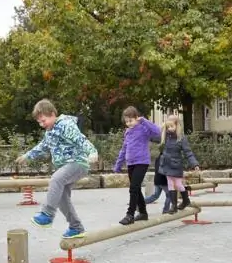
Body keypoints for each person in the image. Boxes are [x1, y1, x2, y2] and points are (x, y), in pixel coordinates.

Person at [16, 99, 98, 239]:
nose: (42, 125)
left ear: (53, 114)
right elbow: (43, 146)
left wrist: (92, 152)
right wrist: (28, 156)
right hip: (66, 166)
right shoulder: (50, 131)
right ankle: (76, 227)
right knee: (61, 198)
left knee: (56, 179)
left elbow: (80, 139)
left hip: (78, 163)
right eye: (39, 123)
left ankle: (47, 214)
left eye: (44, 120)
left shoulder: (66, 125)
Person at [113, 107, 161, 225]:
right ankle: (143, 213)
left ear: (136, 118)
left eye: (131, 120)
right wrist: (118, 164)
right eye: (127, 121)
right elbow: (124, 149)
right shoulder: (128, 132)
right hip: (131, 163)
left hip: (142, 162)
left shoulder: (144, 128)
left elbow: (158, 132)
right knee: (136, 188)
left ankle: (130, 214)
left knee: (133, 188)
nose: (129, 123)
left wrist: (144, 120)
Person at [158, 115, 200, 214]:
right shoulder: (165, 136)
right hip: (167, 165)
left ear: (177, 126)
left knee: (178, 184)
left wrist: (195, 164)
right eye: (167, 127)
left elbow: (188, 152)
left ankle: (186, 200)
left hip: (176, 165)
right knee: (170, 185)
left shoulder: (181, 138)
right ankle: (174, 206)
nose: (169, 129)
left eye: (171, 126)